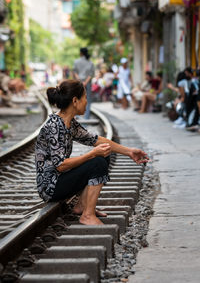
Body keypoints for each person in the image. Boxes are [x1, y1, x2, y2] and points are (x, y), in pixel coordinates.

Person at [35, 80, 149, 226]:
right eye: (85, 98)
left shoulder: (68, 123)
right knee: (97, 161)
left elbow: (96, 140)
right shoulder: (55, 126)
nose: (87, 102)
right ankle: (87, 215)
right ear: (75, 101)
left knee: (104, 153)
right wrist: (91, 154)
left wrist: (129, 152)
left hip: (59, 180)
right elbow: (61, 166)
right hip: (50, 187)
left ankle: (82, 206)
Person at [73, 47, 95, 119]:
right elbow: (91, 74)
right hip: (87, 83)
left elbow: (75, 72)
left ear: (81, 53)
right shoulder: (90, 63)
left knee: (77, 99)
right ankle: (86, 117)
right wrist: (85, 82)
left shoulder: (76, 62)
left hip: (78, 83)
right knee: (87, 100)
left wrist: (80, 81)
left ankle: (77, 116)